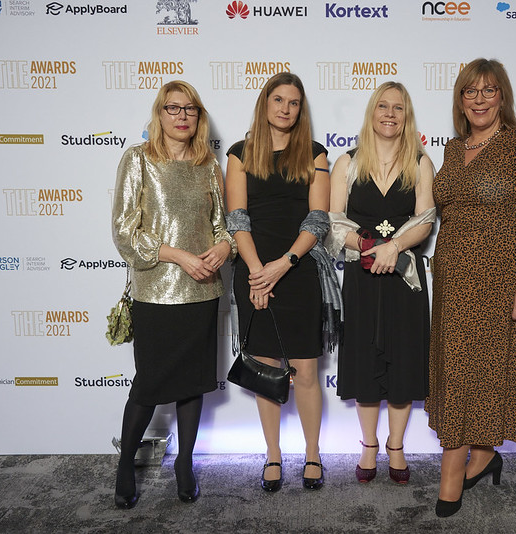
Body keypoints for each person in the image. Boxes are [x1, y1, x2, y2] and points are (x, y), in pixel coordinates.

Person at [425, 58, 516, 517]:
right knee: (458, 370)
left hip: (499, 282)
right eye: (470, 91)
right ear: (460, 100)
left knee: (482, 371)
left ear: (503, 97)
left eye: (488, 90)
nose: (478, 99)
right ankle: (481, 456)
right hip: (451, 281)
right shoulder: (452, 150)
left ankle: (453, 471)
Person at [111, 80, 235, 509]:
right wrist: (178, 255)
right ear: (159, 114)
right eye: (173, 108)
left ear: (199, 117)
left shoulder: (209, 165)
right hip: (156, 292)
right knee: (148, 385)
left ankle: (185, 462)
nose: (182, 116)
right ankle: (125, 464)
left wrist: (224, 248)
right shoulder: (138, 158)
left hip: (202, 292)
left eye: (190, 109)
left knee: (192, 384)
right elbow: (125, 230)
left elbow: (222, 227)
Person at [226, 72, 336, 492]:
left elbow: (317, 219)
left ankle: (313, 453)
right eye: (278, 100)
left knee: (306, 369)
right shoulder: (239, 154)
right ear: (265, 103)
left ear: (300, 108)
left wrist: (283, 264)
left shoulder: (314, 153)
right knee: (266, 366)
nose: (286, 109)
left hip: (298, 267)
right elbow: (237, 219)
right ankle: (272, 454)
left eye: (293, 102)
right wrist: (258, 273)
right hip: (254, 269)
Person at [326, 82, 435, 485]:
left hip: (405, 278)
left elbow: (425, 221)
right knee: (365, 363)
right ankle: (369, 446)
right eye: (383, 106)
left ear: (407, 117)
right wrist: (369, 246)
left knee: (403, 364)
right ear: (372, 112)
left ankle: (397, 446)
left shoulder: (420, 163)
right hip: (362, 275)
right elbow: (334, 222)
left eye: (398, 108)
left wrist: (394, 248)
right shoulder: (347, 163)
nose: (390, 114)